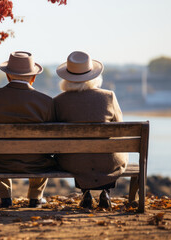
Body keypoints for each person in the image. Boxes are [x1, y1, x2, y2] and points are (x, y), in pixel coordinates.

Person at [0, 51, 56, 208]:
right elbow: (52, 141)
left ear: (8, 76)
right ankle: (35, 197)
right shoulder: (46, 102)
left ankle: (5, 197)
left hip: (0, 163)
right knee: (42, 150)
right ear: (33, 78)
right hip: (37, 164)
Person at [53, 51, 128, 209]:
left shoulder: (58, 101)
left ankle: (86, 192)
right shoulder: (109, 97)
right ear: (94, 76)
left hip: (73, 162)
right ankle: (105, 192)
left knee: (79, 156)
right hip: (108, 161)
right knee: (108, 154)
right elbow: (120, 129)